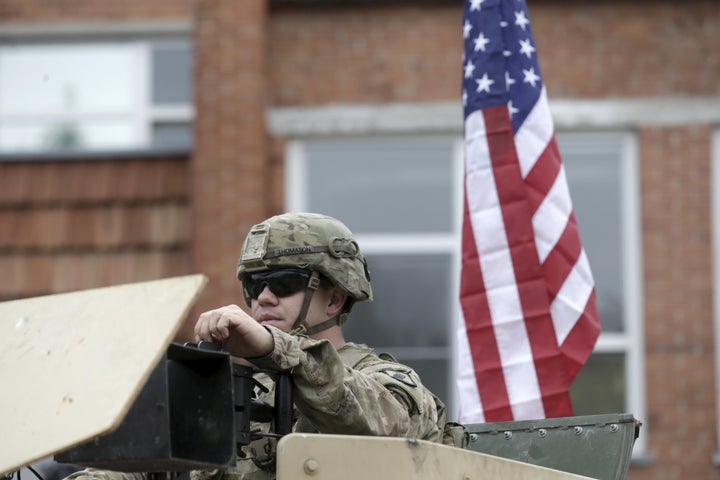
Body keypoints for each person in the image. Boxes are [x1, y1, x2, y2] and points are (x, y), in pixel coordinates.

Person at [67, 212, 456, 480]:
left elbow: (377, 422)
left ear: (335, 299)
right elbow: (138, 468)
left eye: (284, 283)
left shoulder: (391, 384)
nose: (263, 299)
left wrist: (273, 349)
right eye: (254, 286)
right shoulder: (223, 395)